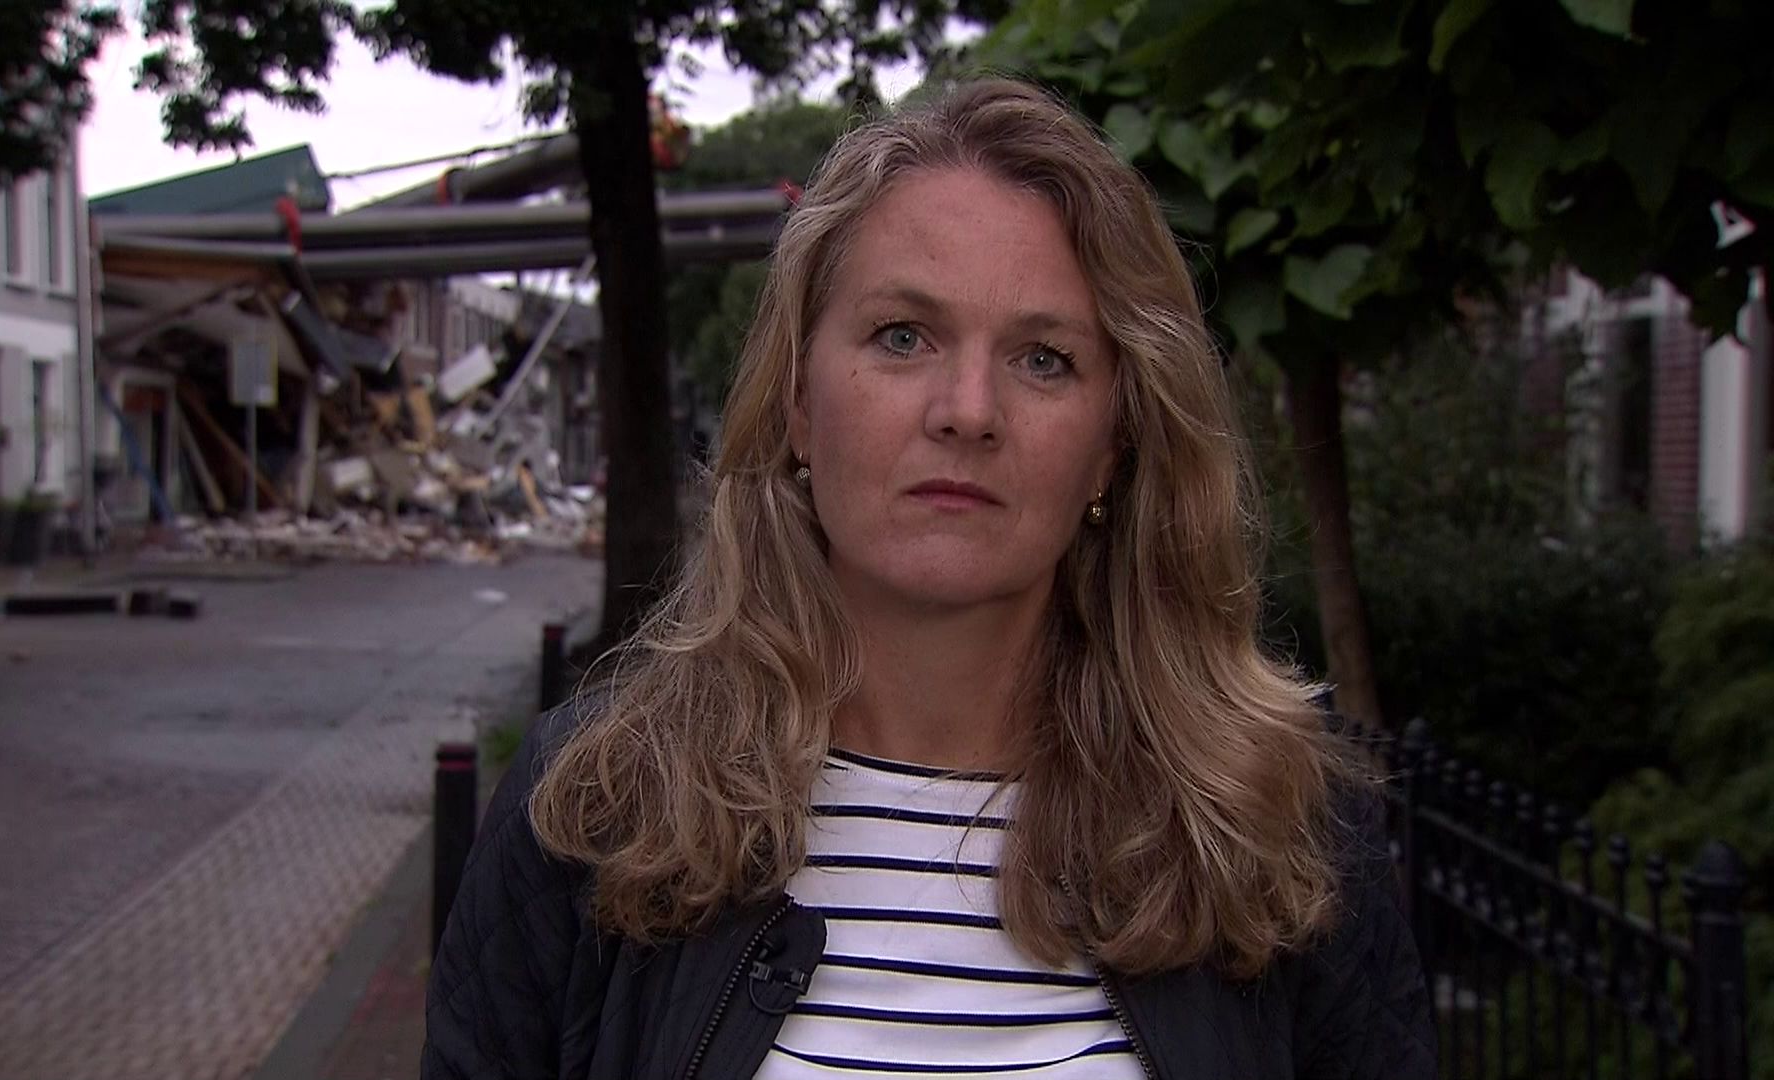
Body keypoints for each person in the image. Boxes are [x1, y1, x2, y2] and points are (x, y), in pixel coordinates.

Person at [423, 77, 1434, 1080]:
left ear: (1112, 448)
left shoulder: (1274, 830)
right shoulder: (595, 809)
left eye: (1044, 358)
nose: (967, 411)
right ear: (797, 405)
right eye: (902, 337)